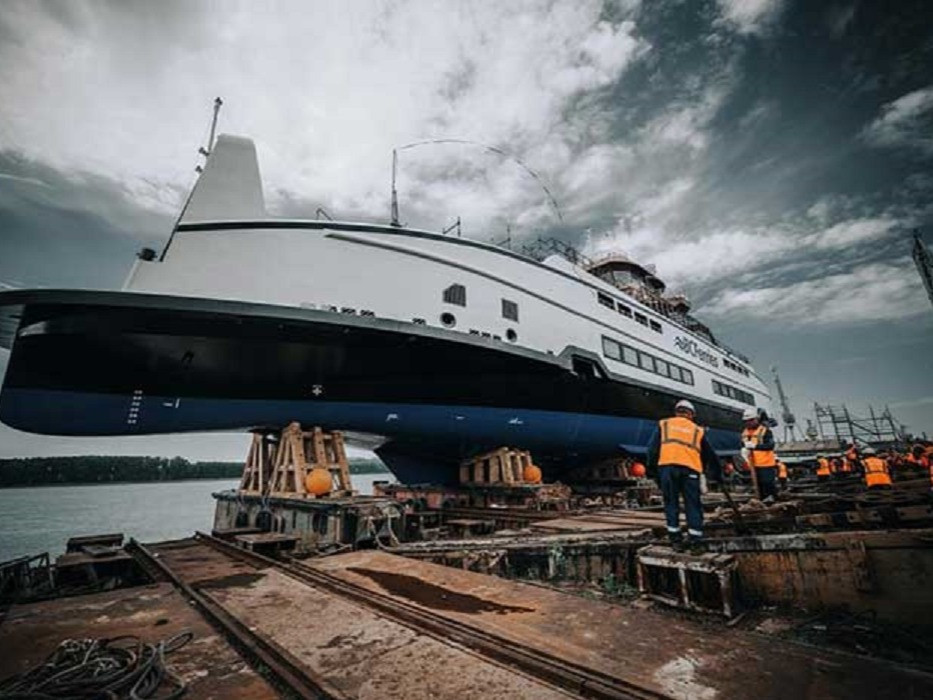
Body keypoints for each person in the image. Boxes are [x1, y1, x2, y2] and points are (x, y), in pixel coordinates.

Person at [646, 399, 722, 553]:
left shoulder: (664, 424)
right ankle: (695, 541)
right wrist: (717, 475)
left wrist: (652, 471)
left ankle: (675, 540)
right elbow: (710, 455)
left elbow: (652, 450)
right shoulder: (697, 430)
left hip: (667, 468)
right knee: (693, 504)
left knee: (671, 503)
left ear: (676, 412)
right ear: (691, 414)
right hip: (690, 469)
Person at [741, 408, 778, 501]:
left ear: (756, 419)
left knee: (767, 483)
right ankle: (762, 501)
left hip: (766, 464)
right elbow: (743, 444)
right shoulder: (745, 433)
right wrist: (744, 449)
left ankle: (772, 500)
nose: (749, 423)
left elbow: (770, 446)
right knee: (758, 485)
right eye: (746, 421)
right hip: (753, 464)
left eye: (751, 420)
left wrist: (755, 446)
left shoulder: (765, 431)